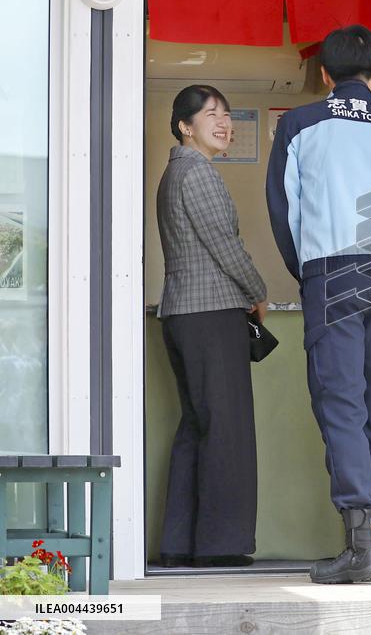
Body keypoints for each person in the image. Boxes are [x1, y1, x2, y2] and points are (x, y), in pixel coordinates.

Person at [266, 25, 371, 584]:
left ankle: (362, 546)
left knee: (342, 404)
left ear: (325, 74)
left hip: (332, 273)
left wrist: (309, 273)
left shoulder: (300, 125)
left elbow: (284, 211)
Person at [156, 85, 268, 569]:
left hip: (184, 314)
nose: (224, 123)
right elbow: (224, 244)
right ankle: (219, 546)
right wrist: (258, 290)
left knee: (197, 428)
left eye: (226, 113)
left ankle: (179, 543)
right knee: (225, 430)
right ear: (185, 126)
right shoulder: (197, 171)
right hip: (211, 314)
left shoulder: (175, 172)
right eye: (211, 115)